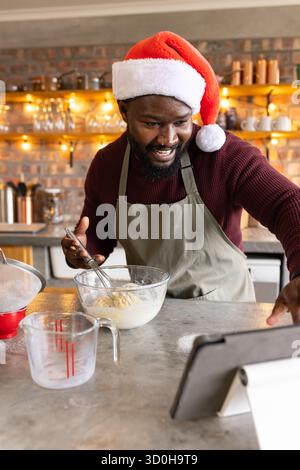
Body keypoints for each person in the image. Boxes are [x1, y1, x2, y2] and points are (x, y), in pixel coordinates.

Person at [62, 31, 300, 325]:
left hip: (224, 315)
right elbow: (99, 234)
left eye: (181, 122)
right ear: (124, 111)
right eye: (152, 123)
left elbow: (287, 203)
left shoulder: (223, 156)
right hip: (147, 316)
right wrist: (84, 251)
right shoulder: (108, 165)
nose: (168, 139)